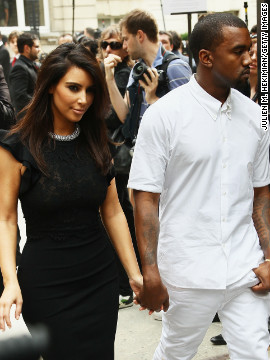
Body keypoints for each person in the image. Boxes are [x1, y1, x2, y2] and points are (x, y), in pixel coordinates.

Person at [128, 13, 270, 360]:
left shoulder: (256, 118)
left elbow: (261, 192)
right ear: (206, 57)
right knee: (176, 353)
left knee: (255, 353)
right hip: (187, 273)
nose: (250, 58)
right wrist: (150, 272)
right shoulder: (164, 115)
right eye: (239, 51)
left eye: (251, 50)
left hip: (244, 269)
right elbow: (145, 198)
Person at [0, 43, 142, 360]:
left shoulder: (96, 141)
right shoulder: (16, 147)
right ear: (50, 86)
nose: (83, 100)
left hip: (99, 277)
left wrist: (134, 274)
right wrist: (10, 282)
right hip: (46, 284)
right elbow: (6, 220)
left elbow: (114, 212)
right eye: (73, 88)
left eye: (90, 91)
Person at [104, 9, 191, 146]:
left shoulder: (175, 67)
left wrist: (153, 100)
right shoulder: (137, 70)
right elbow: (125, 116)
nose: (124, 46)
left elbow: (187, 122)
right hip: (144, 151)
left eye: (126, 39)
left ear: (139, 35)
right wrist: (110, 80)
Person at [100, 25, 140, 308]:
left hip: (123, 160)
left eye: (115, 43)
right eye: (105, 44)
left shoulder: (125, 74)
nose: (109, 49)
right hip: (111, 158)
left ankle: (128, 283)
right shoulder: (105, 74)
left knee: (124, 221)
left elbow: (117, 118)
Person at [9, 32, 40, 120]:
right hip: (27, 119)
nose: (39, 50)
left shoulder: (32, 64)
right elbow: (20, 97)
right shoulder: (19, 68)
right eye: (36, 47)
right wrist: (41, 103)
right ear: (27, 48)